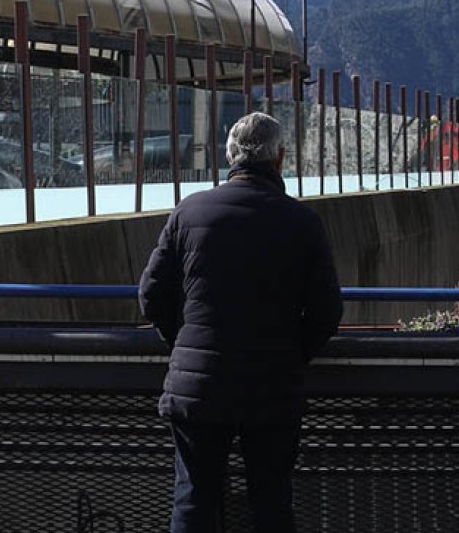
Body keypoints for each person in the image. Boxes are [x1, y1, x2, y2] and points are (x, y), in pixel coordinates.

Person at [139, 112, 343, 533]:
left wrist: (185, 345)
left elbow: (151, 295)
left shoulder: (189, 212)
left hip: (198, 388)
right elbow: (327, 310)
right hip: (271, 384)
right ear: (280, 158)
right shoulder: (301, 222)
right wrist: (293, 353)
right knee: (270, 502)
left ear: (227, 156)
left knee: (194, 499)